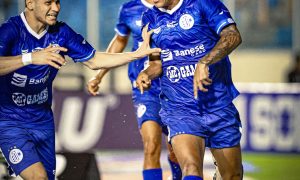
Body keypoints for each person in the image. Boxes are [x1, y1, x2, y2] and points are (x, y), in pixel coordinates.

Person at [0, 0, 160, 179]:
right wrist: (30, 58)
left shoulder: (61, 32)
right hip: (9, 120)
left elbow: (94, 60)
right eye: (48, 3)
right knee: (38, 177)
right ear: (30, 3)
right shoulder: (9, 31)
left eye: (57, 2)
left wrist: (134, 55)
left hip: (42, 120)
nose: (56, 8)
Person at [136, 0, 243, 179]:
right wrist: (146, 73)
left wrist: (205, 62)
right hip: (179, 109)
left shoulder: (203, 4)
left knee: (232, 175)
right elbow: (156, 63)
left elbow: (233, 36)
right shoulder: (149, 18)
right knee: (191, 168)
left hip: (218, 104)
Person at [86, 0, 182, 179]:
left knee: (176, 150)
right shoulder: (129, 9)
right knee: (151, 145)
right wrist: (99, 75)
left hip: (175, 86)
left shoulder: (174, 5)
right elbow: (119, 41)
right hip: (145, 88)